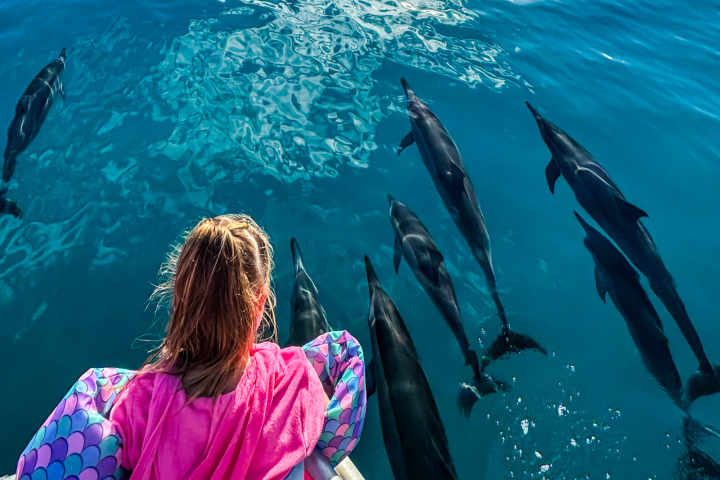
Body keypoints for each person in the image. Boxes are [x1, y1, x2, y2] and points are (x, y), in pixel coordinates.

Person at [14, 215, 366, 480]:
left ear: (178, 298)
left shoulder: (139, 403)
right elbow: (339, 421)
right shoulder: (298, 385)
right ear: (260, 303)